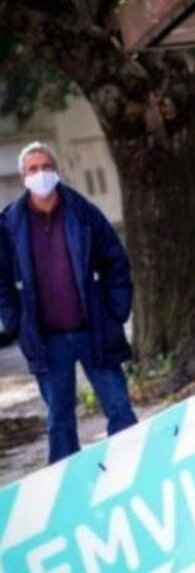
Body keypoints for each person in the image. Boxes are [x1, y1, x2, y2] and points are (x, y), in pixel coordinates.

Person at [0, 141, 138, 463]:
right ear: (23, 176)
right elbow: (2, 281)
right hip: (46, 340)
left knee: (119, 407)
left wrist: (116, 310)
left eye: (47, 167)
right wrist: (15, 322)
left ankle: (134, 465)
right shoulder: (9, 226)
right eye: (33, 169)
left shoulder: (83, 212)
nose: (41, 174)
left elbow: (115, 259)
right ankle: (65, 488)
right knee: (60, 421)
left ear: (57, 171)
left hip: (94, 329)